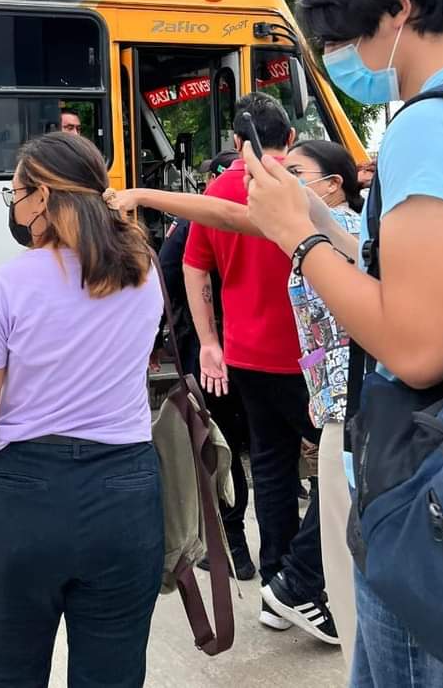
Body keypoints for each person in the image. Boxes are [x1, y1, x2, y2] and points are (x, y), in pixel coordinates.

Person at [243, 0, 443, 687]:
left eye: (341, 37)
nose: (339, 60)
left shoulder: (426, 127)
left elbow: (419, 344)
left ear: (398, 9)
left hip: (422, 486)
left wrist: (297, 241)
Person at [0, 133, 164, 688]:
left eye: (14, 192)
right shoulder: (142, 271)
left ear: (41, 198)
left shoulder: (5, 286)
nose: (13, 206)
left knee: (11, 670)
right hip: (126, 493)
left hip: (24, 497)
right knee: (113, 674)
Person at [183, 94, 338, 644]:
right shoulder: (294, 190)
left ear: (236, 144)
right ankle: (299, 581)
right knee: (343, 465)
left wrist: (208, 342)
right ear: (290, 138)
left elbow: (192, 265)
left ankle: (278, 582)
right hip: (308, 361)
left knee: (271, 466)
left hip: (245, 357)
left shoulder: (218, 192)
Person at [156, 151, 255, 581]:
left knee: (223, 447)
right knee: (243, 449)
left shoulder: (198, 219)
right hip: (237, 349)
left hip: (212, 348)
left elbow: (164, 273)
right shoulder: (281, 205)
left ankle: (231, 543)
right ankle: (239, 546)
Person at [284, 139, 364, 669]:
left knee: (345, 563)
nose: (284, 180)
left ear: (332, 183)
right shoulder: (313, 235)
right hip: (334, 403)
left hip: (349, 411)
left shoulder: (349, 235)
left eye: (296, 172)